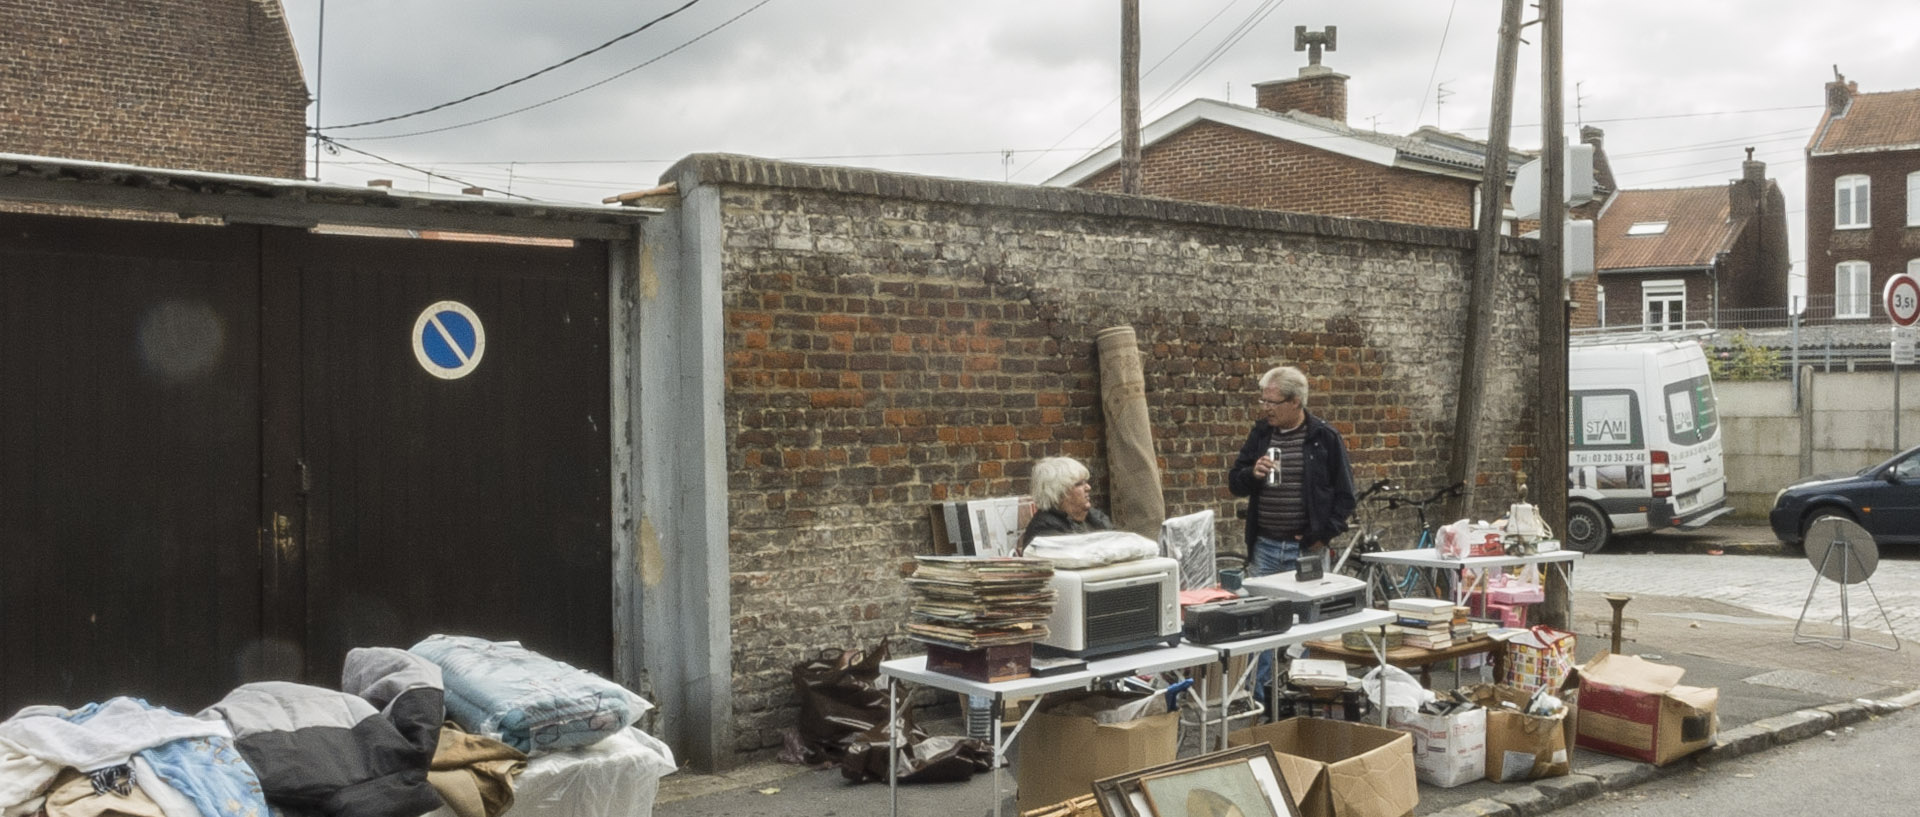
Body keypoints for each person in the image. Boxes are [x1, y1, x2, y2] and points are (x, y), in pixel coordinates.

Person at [1227, 365, 1357, 577]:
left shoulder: (1324, 438)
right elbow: (1235, 483)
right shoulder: (1261, 434)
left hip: (1305, 550)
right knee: (1263, 608)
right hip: (1264, 548)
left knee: (1305, 609)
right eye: (1263, 401)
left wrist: (1322, 537)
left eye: (1272, 402)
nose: (1266, 408)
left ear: (1295, 401)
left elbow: (1346, 496)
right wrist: (1251, 473)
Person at [1019, 456, 1114, 553]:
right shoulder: (1044, 530)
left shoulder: (1095, 517)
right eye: (1079, 484)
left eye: (1086, 482)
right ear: (1058, 493)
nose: (1088, 487)